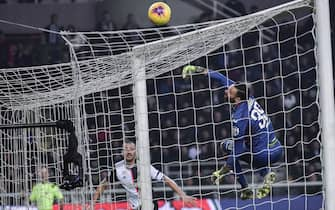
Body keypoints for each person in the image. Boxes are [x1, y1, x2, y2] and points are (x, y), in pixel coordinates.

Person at [182, 65, 283, 200]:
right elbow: (221, 77)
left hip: (263, 156)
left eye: (229, 92)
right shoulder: (248, 96)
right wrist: (197, 70)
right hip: (277, 148)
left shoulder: (239, 117)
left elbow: (238, 149)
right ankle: (266, 173)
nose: (226, 91)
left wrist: (222, 170)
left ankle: (245, 188)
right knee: (251, 144)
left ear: (237, 98)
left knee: (226, 146)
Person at [92, 140, 196, 209]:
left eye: (132, 149)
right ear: (121, 152)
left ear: (136, 151)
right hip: (134, 206)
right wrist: (93, 203)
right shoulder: (118, 168)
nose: (129, 152)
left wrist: (182, 195)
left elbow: (166, 179)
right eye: (126, 149)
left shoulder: (145, 166)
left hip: (150, 204)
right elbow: (103, 184)